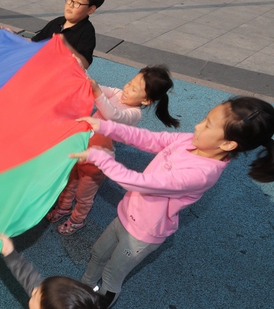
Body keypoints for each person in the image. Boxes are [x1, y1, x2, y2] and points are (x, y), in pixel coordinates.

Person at [72, 97, 274, 309]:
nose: (197, 125)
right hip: (127, 213)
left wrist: (101, 158)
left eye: (208, 124)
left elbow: (140, 183)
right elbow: (150, 138)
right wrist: (107, 127)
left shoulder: (201, 174)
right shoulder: (191, 142)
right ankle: (82, 289)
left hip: (143, 234)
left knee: (112, 275)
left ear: (227, 144)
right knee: (97, 253)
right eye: (204, 119)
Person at [47, 66, 179, 235]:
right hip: (81, 150)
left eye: (134, 89)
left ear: (146, 100)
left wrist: (97, 92)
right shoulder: (117, 93)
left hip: (97, 162)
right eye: (130, 83)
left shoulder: (133, 114)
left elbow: (113, 115)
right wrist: (81, 71)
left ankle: (77, 219)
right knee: (70, 181)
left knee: (84, 195)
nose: (127, 89)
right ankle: (63, 207)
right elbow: (96, 87)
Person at [31, 0, 105, 69]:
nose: (71, 5)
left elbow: (84, 64)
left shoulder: (86, 31)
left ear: (90, 10)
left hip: (64, 77)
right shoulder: (56, 22)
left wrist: (66, 45)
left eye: (78, 3)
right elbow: (34, 42)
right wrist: (13, 36)